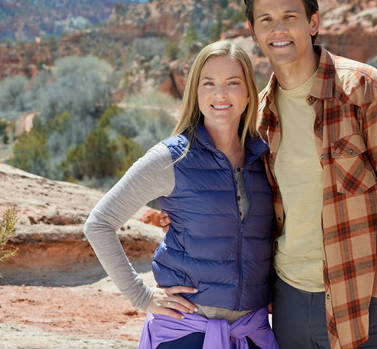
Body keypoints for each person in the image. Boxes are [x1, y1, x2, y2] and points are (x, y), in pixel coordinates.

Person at [243, 0, 377, 348]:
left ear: (313, 22)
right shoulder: (260, 111)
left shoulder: (370, 92)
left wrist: (370, 287)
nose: (278, 30)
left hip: (364, 297)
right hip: (288, 297)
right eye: (266, 20)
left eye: (290, 17)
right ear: (253, 32)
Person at [83, 41, 279, 349]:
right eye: (209, 83)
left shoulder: (265, 156)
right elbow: (98, 223)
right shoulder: (171, 158)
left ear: (249, 92)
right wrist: (141, 296)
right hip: (186, 333)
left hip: (250, 332)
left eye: (233, 83)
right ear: (195, 92)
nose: (220, 94)